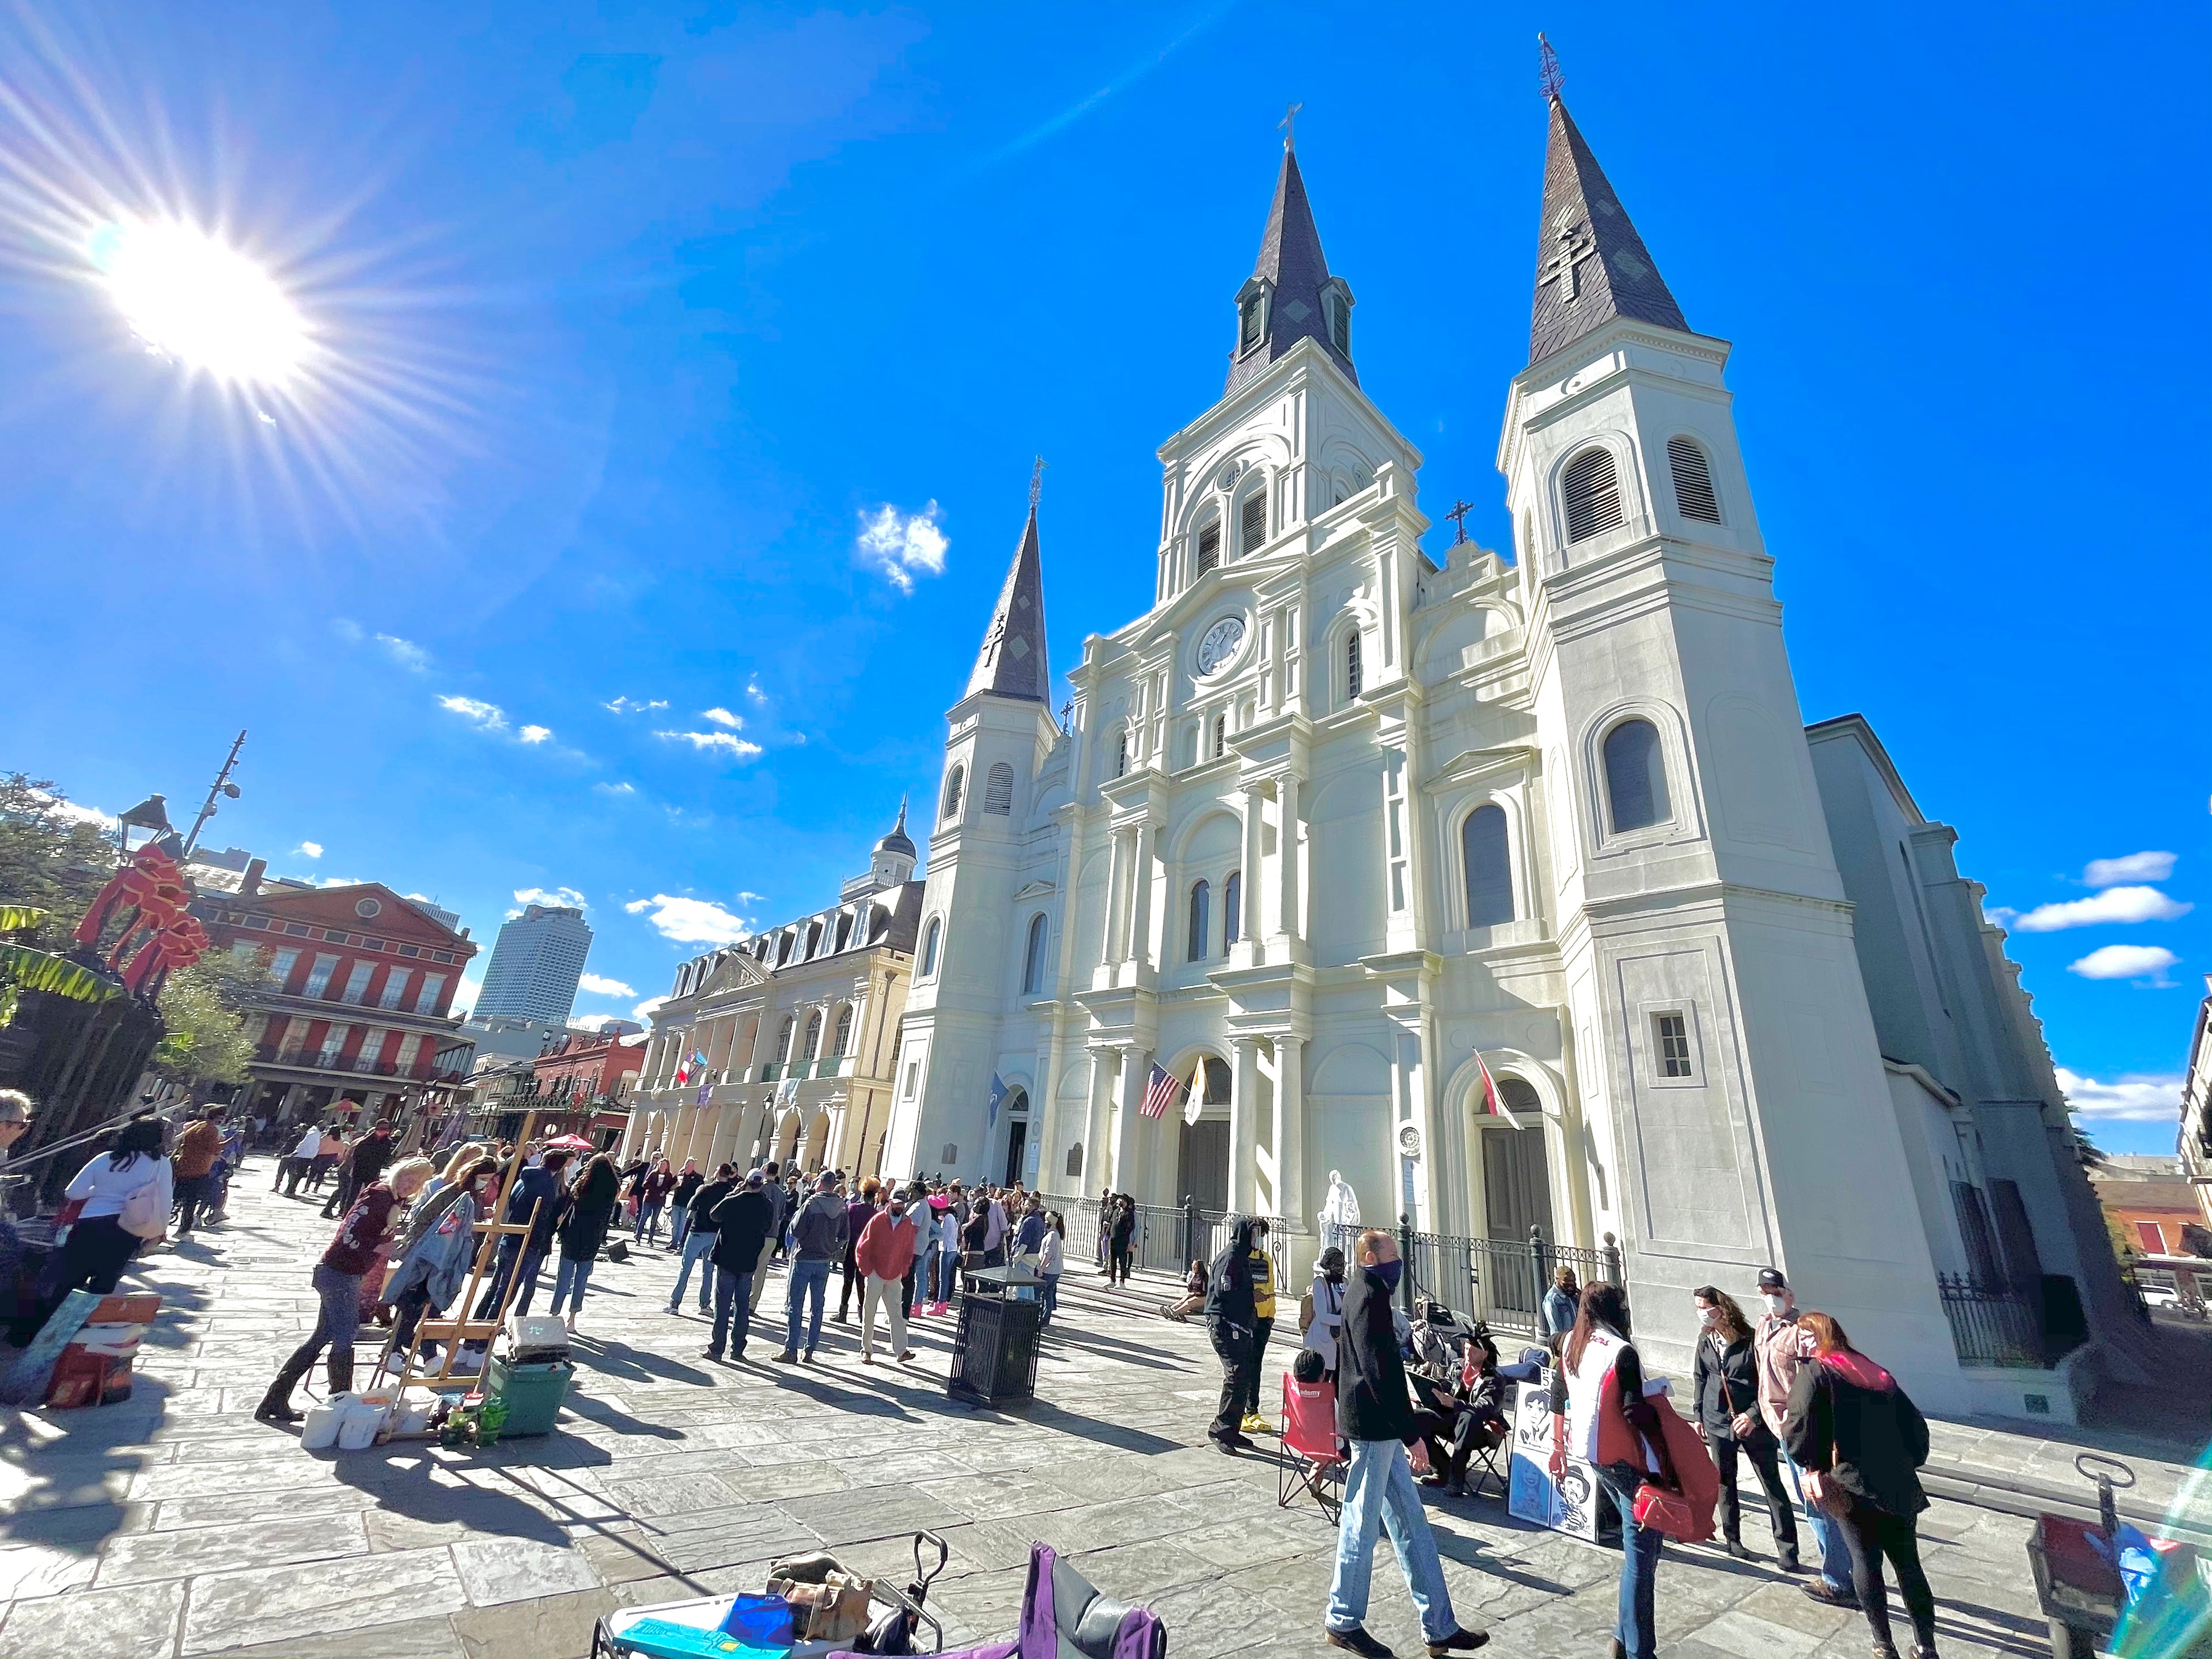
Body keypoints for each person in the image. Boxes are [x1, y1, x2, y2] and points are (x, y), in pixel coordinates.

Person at [1323, 1228, 1488, 1658]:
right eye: (1393, 1255)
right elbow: (1378, 1372)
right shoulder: (1369, 1298)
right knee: (1360, 1522)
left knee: (1411, 1523)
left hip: (1377, 1426)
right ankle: (1342, 1619)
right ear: (1374, 1259)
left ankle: (1439, 1624)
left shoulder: (1365, 1292)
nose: (1400, 1263)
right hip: (1375, 1429)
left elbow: (1355, 1363)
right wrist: (1411, 1434)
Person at [1784, 1313, 1938, 1659]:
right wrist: (1906, 1462)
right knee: (1909, 1564)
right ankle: (1927, 1646)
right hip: (1897, 1480)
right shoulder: (1875, 1370)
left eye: (1805, 1336)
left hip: (1851, 1482)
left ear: (1818, 1336)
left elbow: (1799, 1424)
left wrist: (1812, 1463)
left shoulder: (1817, 1370)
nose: (1802, 1344)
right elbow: (1916, 1429)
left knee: (1865, 1563)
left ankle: (1884, 1645)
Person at [256, 1155, 429, 1422]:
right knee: (345, 1335)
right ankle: (341, 1402)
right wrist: (376, 1246)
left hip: (340, 1272)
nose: (410, 1184)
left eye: (417, 1182)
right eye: (408, 1177)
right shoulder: (381, 1196)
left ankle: (276, 1399)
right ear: (398, 1172)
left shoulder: (393, 1199)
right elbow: (350, 1231)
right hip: (340, 1273)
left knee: (321, 1336)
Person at [1562, 1281, 1674, 1659]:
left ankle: (1623, 1639)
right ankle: (1641, 1649)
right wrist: (1664, 1457)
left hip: (1593, 1453)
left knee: (1639, 1547)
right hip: (1626, 1459)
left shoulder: (1570, 1342)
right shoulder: (1620, 1351)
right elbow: (1633, 1411)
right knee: (1643, 1553)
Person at [1756, 1268, 1857, 1607]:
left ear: (1790, 1295)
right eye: (1766, 1290)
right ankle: (1844, 1570)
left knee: (1819, 1501)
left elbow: (1819, 1377)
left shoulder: (1803, 1332)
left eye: (1777, 1291)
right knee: (1809, 1500)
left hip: (1803, 1428)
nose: (1771, 1296)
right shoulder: (1762, 1326)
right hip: (1779, 1426)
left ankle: (1839, 1579)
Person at [1693, 1285, 1800, 1568]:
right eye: (1698, 1309)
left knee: (1770, 1481)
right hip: (1717, 1420)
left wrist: (1753, 1415)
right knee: (1725, 1481)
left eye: (1705, 1308)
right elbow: (1700, 1377)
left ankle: (1788, 1548)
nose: (1701, 1314)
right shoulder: (1706, 1340)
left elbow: (1764, 1382)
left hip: (1753, 1422)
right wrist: (1699, 1415)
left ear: (1721, 1308)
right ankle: (1733, 1539)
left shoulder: (1749, 1340)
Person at [37, 1116, 172, 1323]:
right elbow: (164, 1201)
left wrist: (100, 1191)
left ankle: (46, 1328)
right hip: (126, 1228)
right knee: (104, 1284)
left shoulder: (104, 1159)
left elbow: (73, 1192)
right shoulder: (160, 1164)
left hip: (89, 1223)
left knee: (68, 1281)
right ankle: (82, 1332)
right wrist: (157, 1233)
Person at [383, 1154, 497, 1354]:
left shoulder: (474, 1196)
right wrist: (418, 1247)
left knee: (430, 1303)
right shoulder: (452, 1192)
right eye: (484, 1178)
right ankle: (403, 1348)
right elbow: (424, 1218)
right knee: (418, 1302)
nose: (485, 1183)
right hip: (431, 1256)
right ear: (474, 1175)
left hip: (448, 1259)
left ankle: (413, 1345)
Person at [476, 1149, 570, 1320]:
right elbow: (542, 1217)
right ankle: (484, 1336)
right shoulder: (546, 1185)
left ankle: (477, 1324)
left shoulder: (525, 1177)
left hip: (510, 1237)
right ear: (561, 1166)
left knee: (496, 1287)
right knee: (506, 1292)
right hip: (526, 1242)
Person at [703, 1169, 775, 1362]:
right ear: (761, 1186)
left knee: (723, 1306)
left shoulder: (734, 1200)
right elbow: (768, 1227)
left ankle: (717, 1348)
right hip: (748, 1261)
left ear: (746, 1183)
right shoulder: (766, 1205)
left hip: (727, 1259)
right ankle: (738, 1349)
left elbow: (714, 1215)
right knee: (742, 1307)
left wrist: (733, 1194)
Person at [777, 1173, 849, 1363]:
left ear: (819, 1184)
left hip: (804, 1258)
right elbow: (845, 1236)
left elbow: (796, 1229)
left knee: (796, 1305)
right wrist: (831, 1249)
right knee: (818, 1307)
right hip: (824, 1261)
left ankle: (791, 1349)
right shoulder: (841, 1206)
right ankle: (810, 1350)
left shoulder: (811, 1203)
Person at [1205, 1216, 1262, 1452]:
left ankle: (1233, 1429)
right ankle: (1220, 1430)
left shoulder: (1241, 1256)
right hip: (1225, 1326)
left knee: (1244, 1376)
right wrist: (1250, 1298)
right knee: (1236, 1375)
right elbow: (1224, 1290)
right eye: (1255, 1234)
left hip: (1240, 1326)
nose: (1258, 1239)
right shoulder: (1230, 1257)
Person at [550, 1154, 620, 1330]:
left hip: (573, 1234)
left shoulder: (582, 1185)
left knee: (564, 1277)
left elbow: (569, 1203)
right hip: (593, 1237)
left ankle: (554, 1312)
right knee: (581, 1279)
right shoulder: (611, 1189)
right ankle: (572, 1318)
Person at [855, 1188, 918, 1364]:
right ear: (890, 1202)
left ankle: (901, 1351)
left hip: (895, 1274)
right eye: (896, 1204)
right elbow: (862, 1246)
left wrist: (904, 1269)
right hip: (875, 1272)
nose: (899, 1207)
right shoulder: (877, 1220)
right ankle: (867, 1350)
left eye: (902, 1204)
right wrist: (867, 1269)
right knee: (870, 1312)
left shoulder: (908, 1224)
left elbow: (909, 1250)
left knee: (896, 1313)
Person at [671, 1163, 738, 1314]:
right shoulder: (731, 1192)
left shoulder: (706, 1188)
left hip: (698, 1231)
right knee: (708, 1271)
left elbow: (691, 1206)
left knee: (686, 1268)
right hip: (716, 1234)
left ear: (718, 1172)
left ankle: (675, 1303)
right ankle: (705, 1305)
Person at [1239, 1218, 1278, 1437]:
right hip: (1247, 1318)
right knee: (1246, 1365)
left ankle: (1252, 1408)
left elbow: (1270, 1286)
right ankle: (1246, 1409)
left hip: (1264, 1318)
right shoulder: (1240, 1258)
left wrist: (1271, 1314)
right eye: (1258, 1234)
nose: (1260, 1239)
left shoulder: (1266, 1259)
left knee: (1257, 1365)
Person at [325, 1118, 395, 1219]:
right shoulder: (364, 1141)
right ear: (376, 1129)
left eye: (386, 1129)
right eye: (381, 1129)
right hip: (358, 1170)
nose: (383, 1131)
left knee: (370, 1194)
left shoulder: (387, 1143)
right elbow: (355, 1155)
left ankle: (364, 1214)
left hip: (373, 1172)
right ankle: (346, 1213)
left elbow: (386, 1158)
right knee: (351, 1193)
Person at [170, 1108, 225, 1233]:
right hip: (198, 1169)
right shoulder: (211, 1129)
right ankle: (184, 1229)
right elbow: (214, 1149)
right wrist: (232, 1140)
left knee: (176, 1197)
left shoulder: (196, 1126)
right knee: (191, 1201)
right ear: (218, 1117)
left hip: (183, 1166)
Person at [837, 1179, 881, 1321]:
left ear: (863, 1195)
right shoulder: (875, 1214)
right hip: (866, 1252)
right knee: (861, 1282)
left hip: (851, 1248)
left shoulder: (853, 1209)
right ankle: (863, 1314)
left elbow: (845, 1227)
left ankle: (843, 1313)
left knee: (847, 1281)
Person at [748, 1160, 789, 1314]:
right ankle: (753, 1303)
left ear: (764, 1171)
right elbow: (780, 1217)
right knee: (761, 1272)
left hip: (757, 1234)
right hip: (772, 1235)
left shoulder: (760, 1188)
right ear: (777, 1174)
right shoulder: (781, 1193)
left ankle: (742, 1300)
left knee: (748, 1269)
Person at [1304, 1247, 1349, 1380]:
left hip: (1343, 1339)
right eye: (1336, 1265)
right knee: (1324, 1378)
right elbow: (1322, 1315)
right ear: (1328, 1265)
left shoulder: (1346, 1282)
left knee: (1341, 1380)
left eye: (1342, 1264)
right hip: (1324, 1339)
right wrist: (1344, 1320)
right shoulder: (1320, 1283)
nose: (1340, 1268)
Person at [634, 1158, 674, 1244]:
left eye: (664, 1164)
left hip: (659, 1200)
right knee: (644, 1217)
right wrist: (655, 1189)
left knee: (654, 1220)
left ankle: (650, 1240)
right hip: (649, 1198)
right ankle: (638, 1238)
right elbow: (645, 1185)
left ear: (667, 1166)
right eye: (661, 1164)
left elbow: (669, 1186)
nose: (662, 1166)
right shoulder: (653, 1173)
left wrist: (665, 1192)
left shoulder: (668, 1175)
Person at [669, 1160, 703, 1251]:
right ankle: (674, 1242)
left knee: (683, 1225)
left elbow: (699, 1191)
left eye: (689, 1165)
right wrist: (676, 1185)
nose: (687, 1166)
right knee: (675, 1225)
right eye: (686, 1164)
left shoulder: (698, 1178)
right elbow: (670, 1187)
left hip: (687, 1205)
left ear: (693, 1166)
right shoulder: (680, 1175)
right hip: (676, 1203)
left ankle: (681, 1244)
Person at [1038, 1212, 1066, 1324]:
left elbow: (1048, 1254)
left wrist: (1041, 1268)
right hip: (1055, 1270)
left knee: (1045, 1295)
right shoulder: (1056, 1234)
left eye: (1047, 1221)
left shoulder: (1052, 1235)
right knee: (1048, 1295)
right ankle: (1045, 1320)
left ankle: (1044, 1319)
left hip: (1049, 1271)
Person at [1105, 1195, 1137, 1286]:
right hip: (1113, 1239)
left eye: (1121, 1200)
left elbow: (1130, 1227)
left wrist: (1124, 1236)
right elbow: (1112, 1222)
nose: (1119, 1201)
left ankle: (1122, 1281)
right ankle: (1112, 1280)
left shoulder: (1129, 1213)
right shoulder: (1116, 1212)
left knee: (1122, 1261)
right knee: (1113, 1260)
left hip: (1122, 1241)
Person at [1542, 1266, 1580, 1340]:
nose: (1570, 1287)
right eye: (1566, 1284)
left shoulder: (1573, 1295)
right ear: (1557, 1279)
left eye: (1573, 1283)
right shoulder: (1552, 1300)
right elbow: (1556, 1330)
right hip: (1565, 1341)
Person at [310, 1124, 346, 1190]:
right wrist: (338, 1159)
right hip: (331, 1158)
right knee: (322, 1173)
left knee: (312, 1172)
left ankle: (307, 1187)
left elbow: (317, 1147)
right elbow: (342, 1151)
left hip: (320, 1157)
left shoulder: (324, 1138)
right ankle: (316, 1188)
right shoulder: (341, 1141)